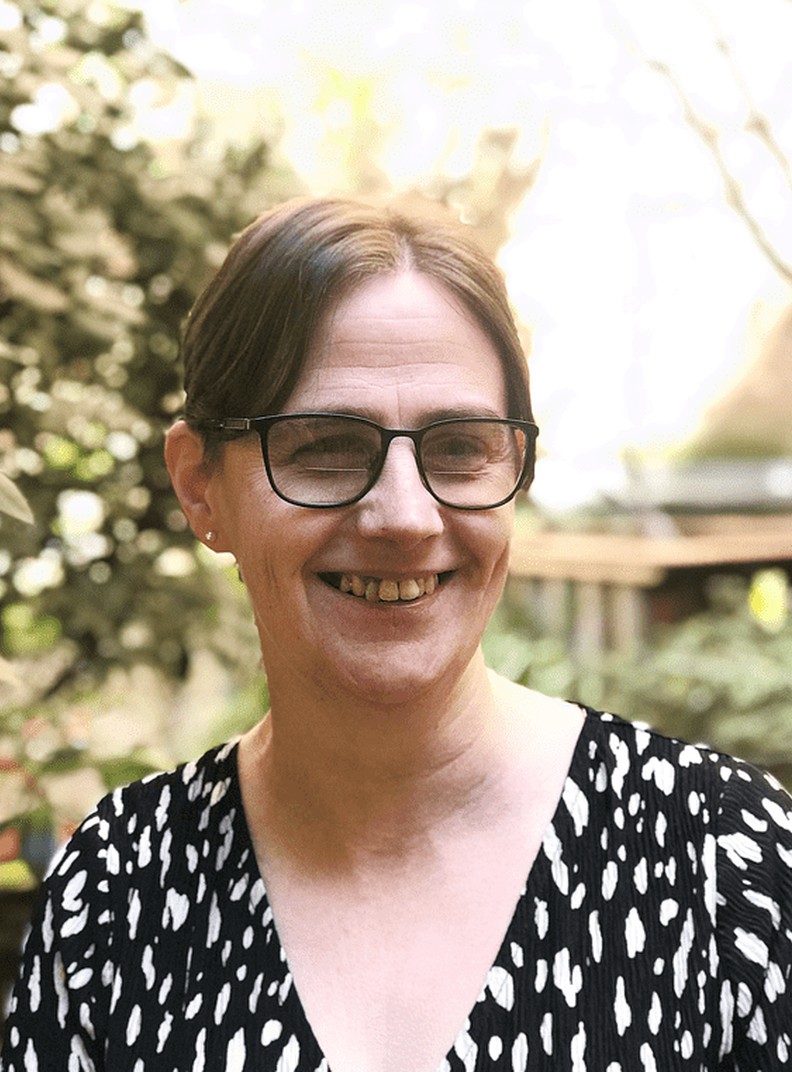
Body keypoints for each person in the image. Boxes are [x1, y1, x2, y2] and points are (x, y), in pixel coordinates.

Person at [1, 196, 791, 1072]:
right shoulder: (118, 894)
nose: (406, 516)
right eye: (326, 446)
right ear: (200, 486)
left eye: (461, 447)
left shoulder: (717, 860)